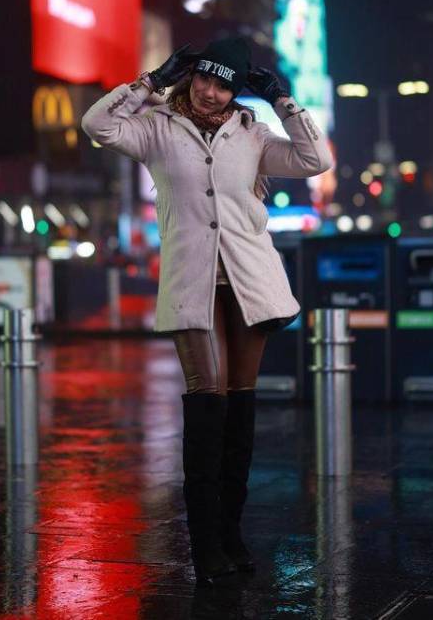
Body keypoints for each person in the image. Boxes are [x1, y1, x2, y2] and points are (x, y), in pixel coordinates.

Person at [80, 36, 333, 586]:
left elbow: (317, 159)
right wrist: (150, 81)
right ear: (189, 75)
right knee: (206, 402)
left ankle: (231, 534)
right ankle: (205, 544)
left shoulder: (252, 133)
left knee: (240, 406)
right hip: (192, 285)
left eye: (222, 85)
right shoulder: (156, 128)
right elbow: (96, 124)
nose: (209, 92)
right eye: (202, 78)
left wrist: (283, 100)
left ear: (236, 91)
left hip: (250, 282)